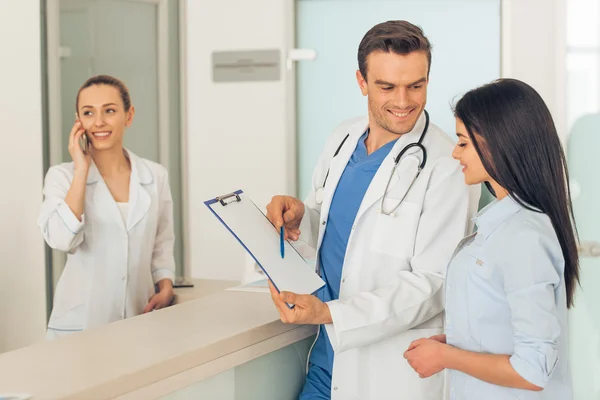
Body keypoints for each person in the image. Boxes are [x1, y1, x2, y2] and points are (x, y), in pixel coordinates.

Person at [265, 21, 480, 399]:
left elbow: (432, 283)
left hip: (388, 371)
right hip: (325, 362)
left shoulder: (448, 165)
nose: (403, 101)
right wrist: (303, 217)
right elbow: (335, 231)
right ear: (362, 82)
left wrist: (331, 314)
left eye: (416, 85)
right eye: (387, 87)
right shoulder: (341, 139)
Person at [404, 79, 578, 400]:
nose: (455, 153)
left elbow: (533, 369)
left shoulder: (525, 235)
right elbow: (502, 322)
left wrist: (446, 357)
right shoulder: (501, 226)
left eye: (463, 143)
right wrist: (455, 343)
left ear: (498, 143)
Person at [39, 75, 176, 339]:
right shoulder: (62, 177)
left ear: (129, 115)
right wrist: (81, 170)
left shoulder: (155, 176)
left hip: (140, 317)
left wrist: (166, 285)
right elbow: (61, 239)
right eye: (88, 113)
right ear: (78, 120)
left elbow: (162, 241)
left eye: (109, 111)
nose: (99, 122)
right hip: (80, 325)